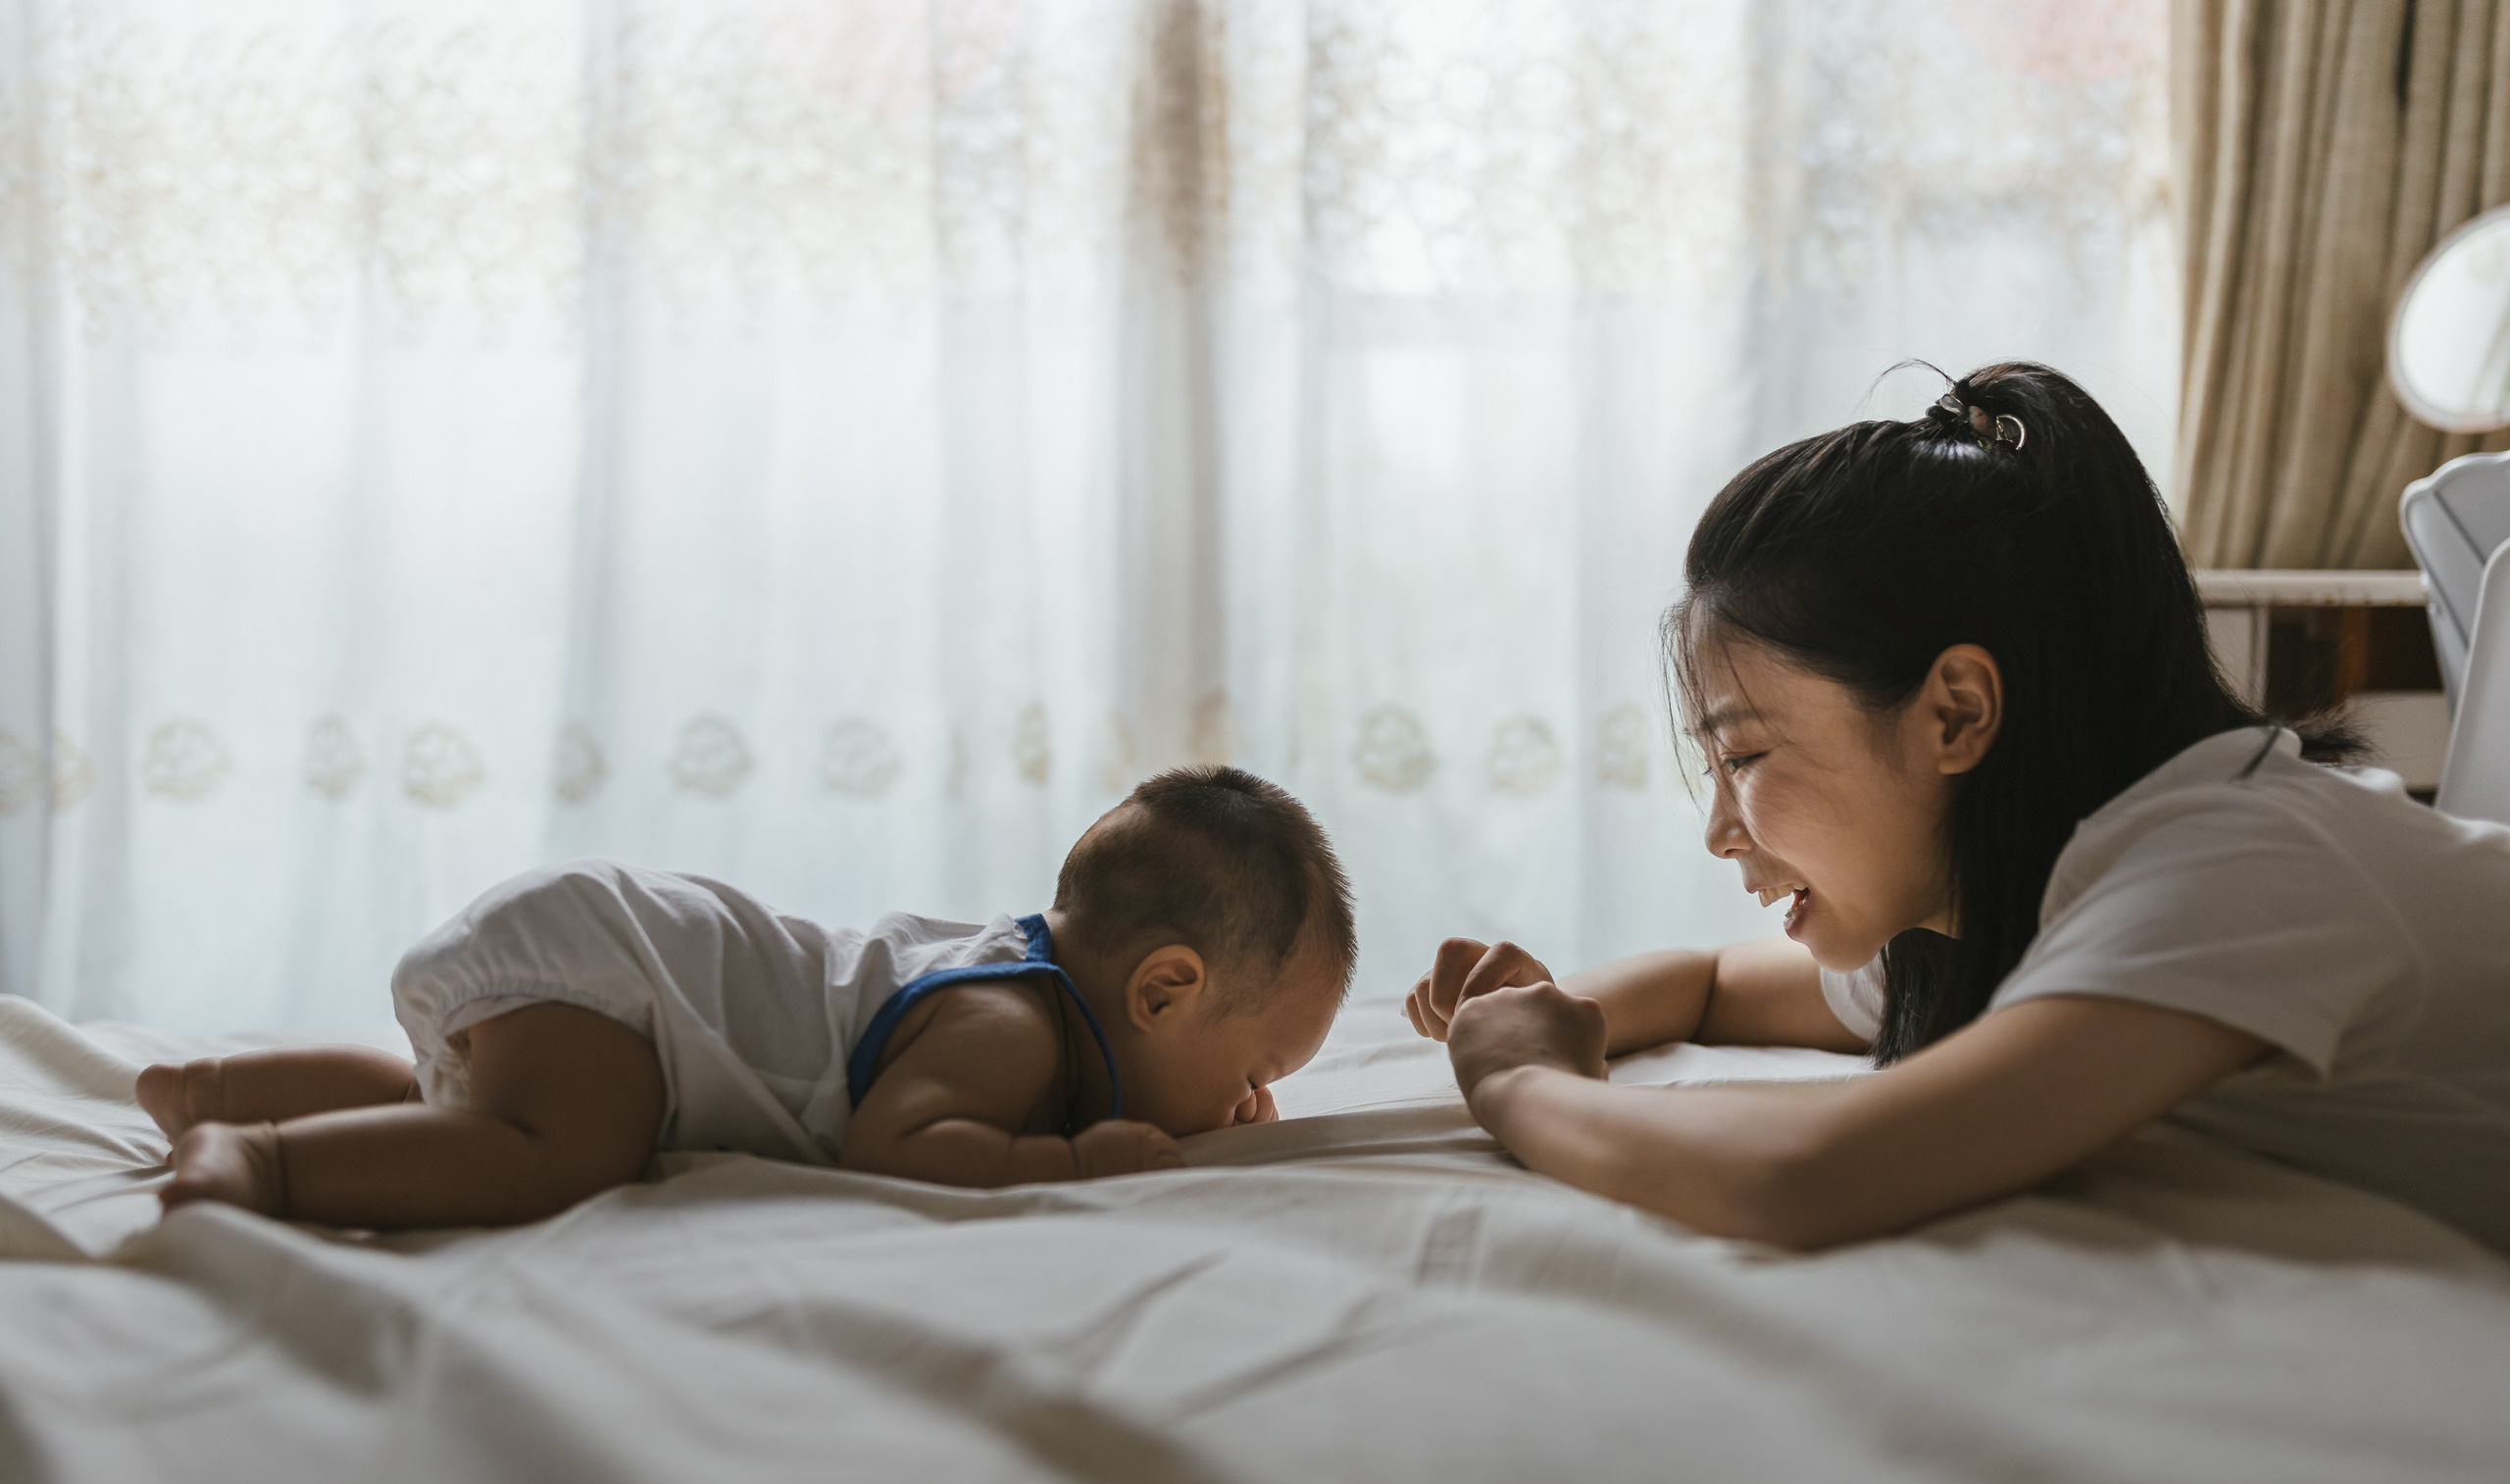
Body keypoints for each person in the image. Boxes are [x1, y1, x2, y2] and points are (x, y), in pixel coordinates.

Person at [1406, 363, 2510, 1254]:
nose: (1719, 831)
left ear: (1956, 712)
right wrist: (1551, 1009)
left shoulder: (2233, 869)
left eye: (1742, 754)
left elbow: (1801, 1180)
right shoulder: (2012, 896)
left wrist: (1518, 1079)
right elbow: (1707, 984)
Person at [146, 766, 1354, 1226]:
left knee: (452, 1106)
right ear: (1162, 992)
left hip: (610, 951)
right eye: (1256, 1072)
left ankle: (211, 1088)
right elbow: (902, 1145)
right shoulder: (1010, 1026)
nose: (1251, 1106)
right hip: (627, 979)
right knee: (557, 1149)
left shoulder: (1022, 980)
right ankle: (266, 1164)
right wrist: (1078, 1165)